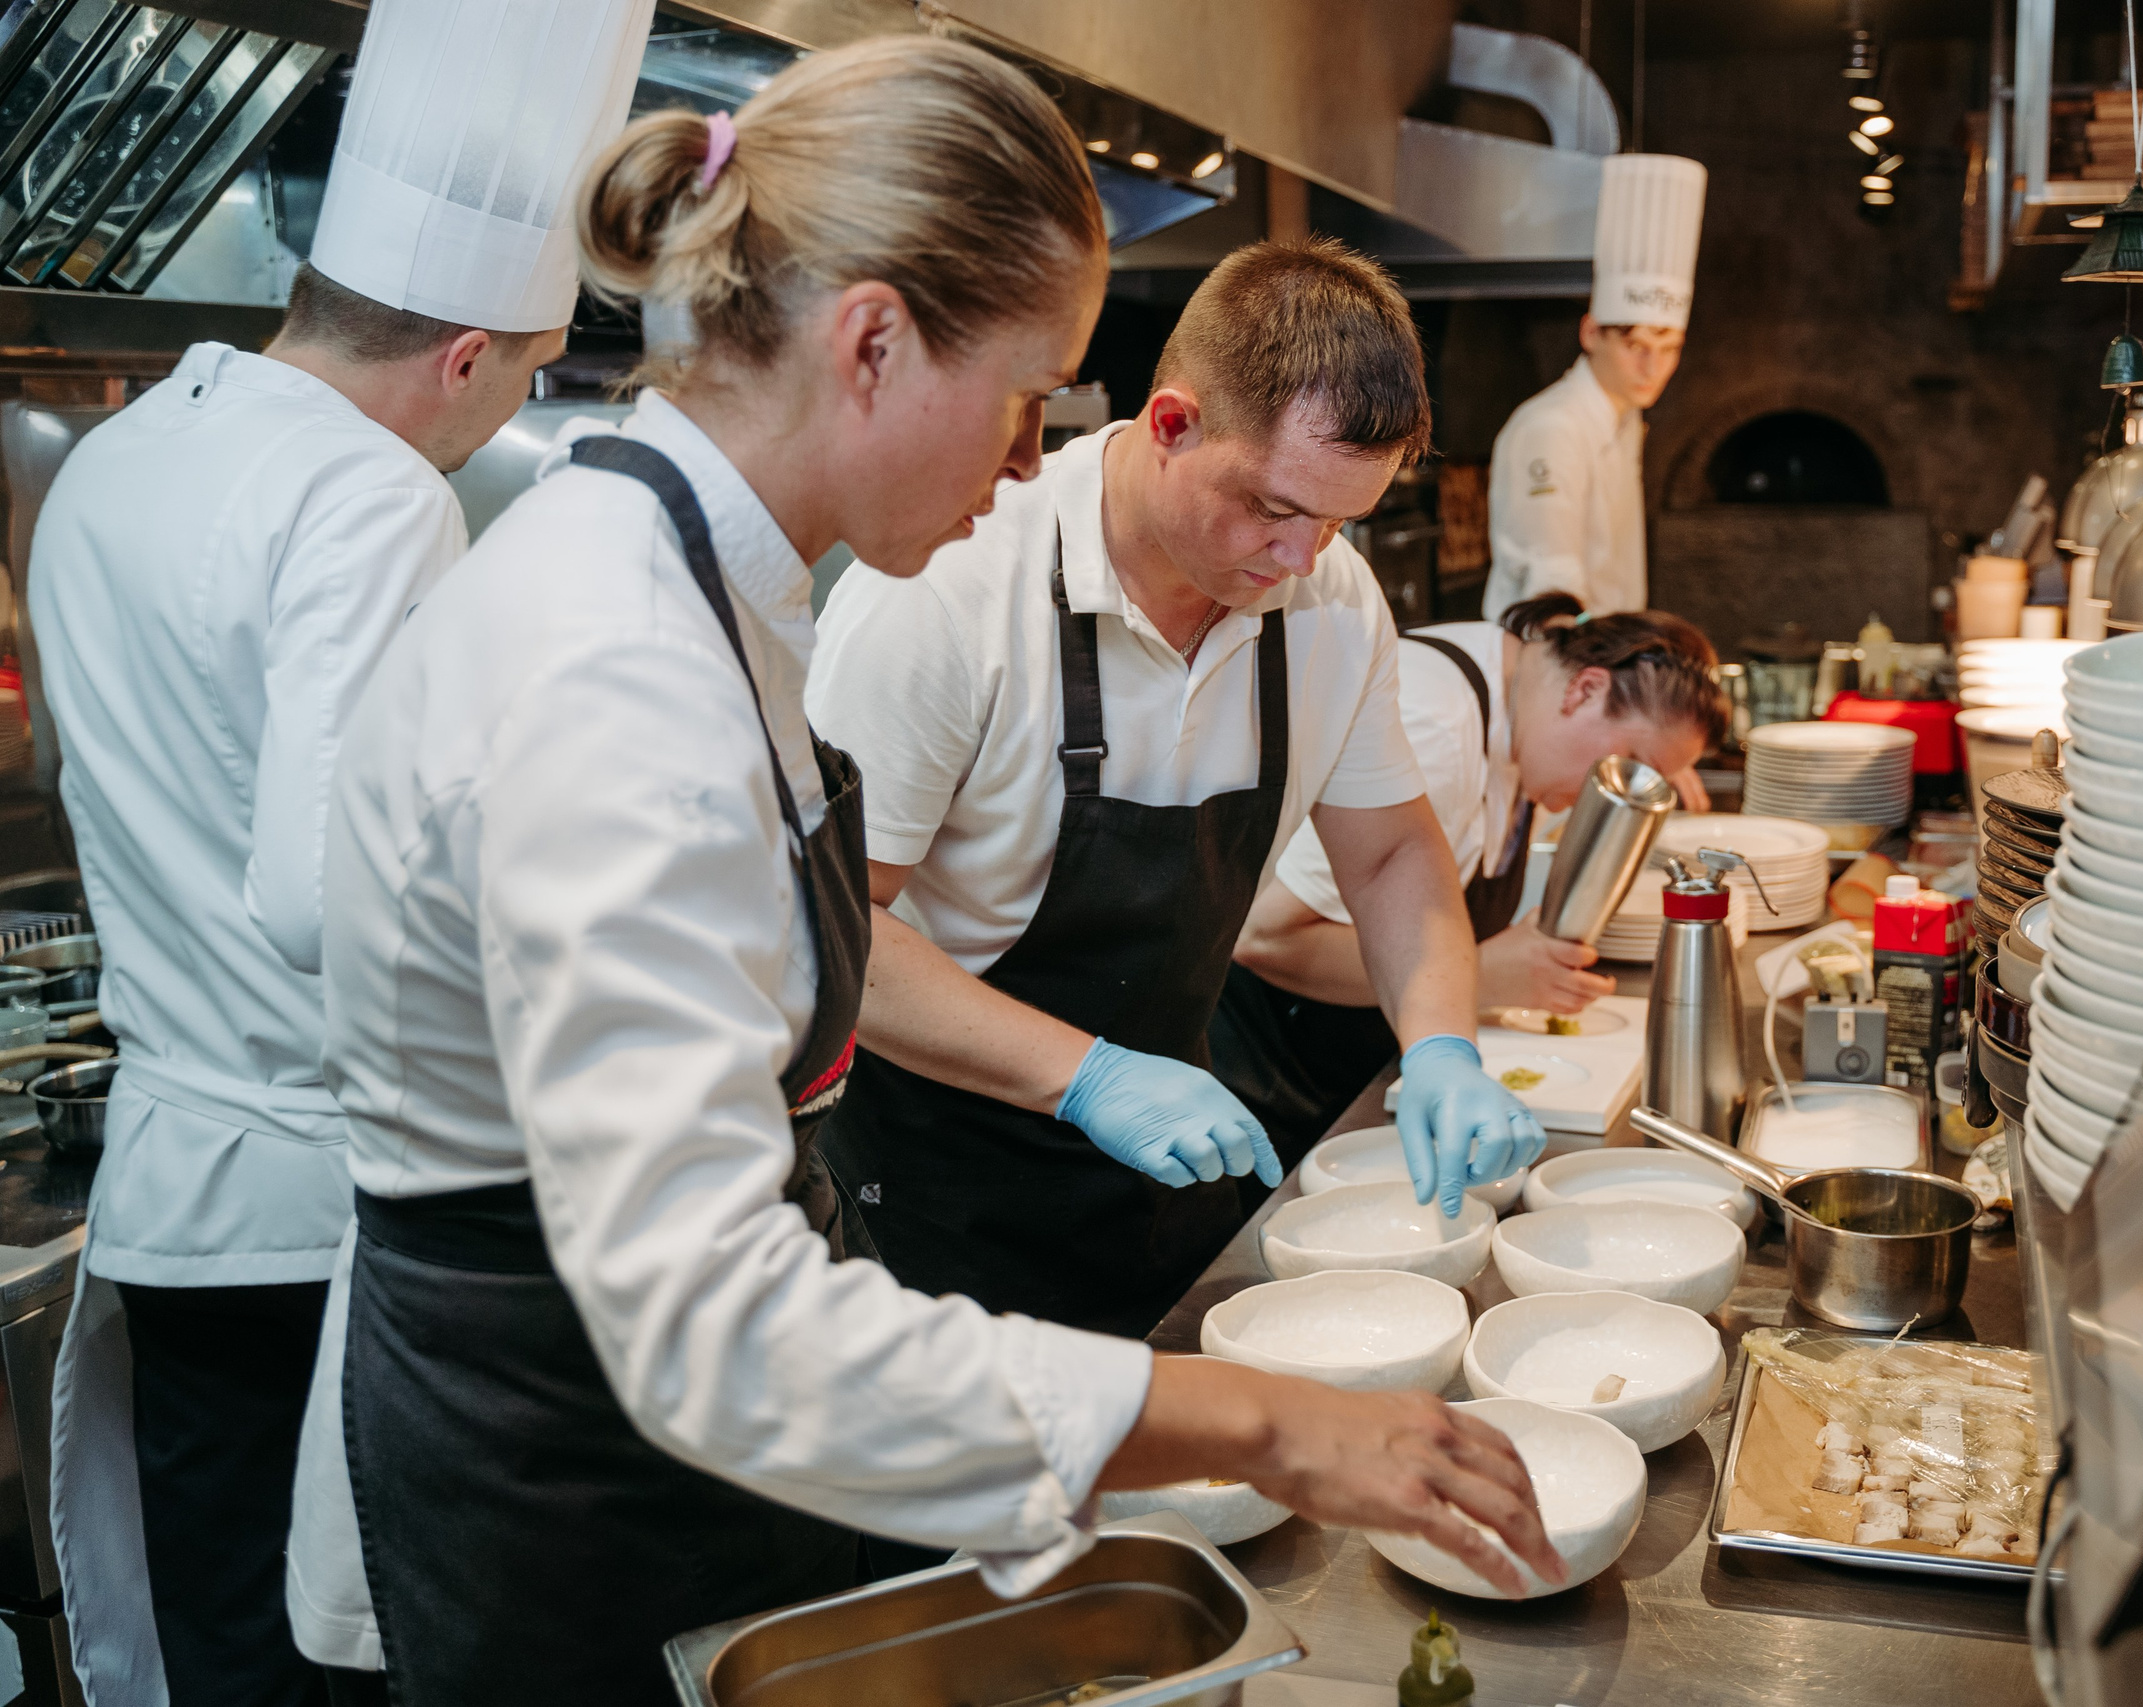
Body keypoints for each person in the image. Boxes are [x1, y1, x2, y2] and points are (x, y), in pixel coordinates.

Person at [308, 40, 1559, 1704]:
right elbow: (714, 1324)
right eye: (1029, 393)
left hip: (707, 1431)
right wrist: (1267, 1421)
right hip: (560, 1462)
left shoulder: (705, 595)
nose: (1033, 458)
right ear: (872, 343)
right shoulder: (614, 669)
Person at [30, 3, 647, 1699]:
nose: (504, 412)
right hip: (327, 1223)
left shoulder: (116, 456)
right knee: (356, 1666)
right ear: (466, 356)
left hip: (176, 1201)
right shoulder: (375, 495)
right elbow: (335, 895)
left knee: (232, 1651)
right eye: (524, 376)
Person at [807, 237, 1546, 1339]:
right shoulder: (950, 587)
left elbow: (1392, 852)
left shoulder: (1331, 602)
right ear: (1171, 424)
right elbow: (826, 933)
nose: (1301, 558)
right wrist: (1090, 1078)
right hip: (934, 1188)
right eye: (1273, 507)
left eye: (1337, 521)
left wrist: (1441, 1041)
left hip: (1161, 1174)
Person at [1212, 593, 1722, 1164]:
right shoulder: (1432, 724)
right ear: (1586, 689)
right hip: (1264, 1077)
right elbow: (1264, 937)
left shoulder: (1519, 714)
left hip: (1353, 1062)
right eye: (1629, 763)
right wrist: (1480, 974)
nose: (1613, 791)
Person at [1482, 153, 1707, 625]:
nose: (1653, 367)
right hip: (1556, 657)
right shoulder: (1553, 429)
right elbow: (1553, 592)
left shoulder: (1625, 420)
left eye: (1669, 348)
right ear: (1590, 333)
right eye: (1635, 345)